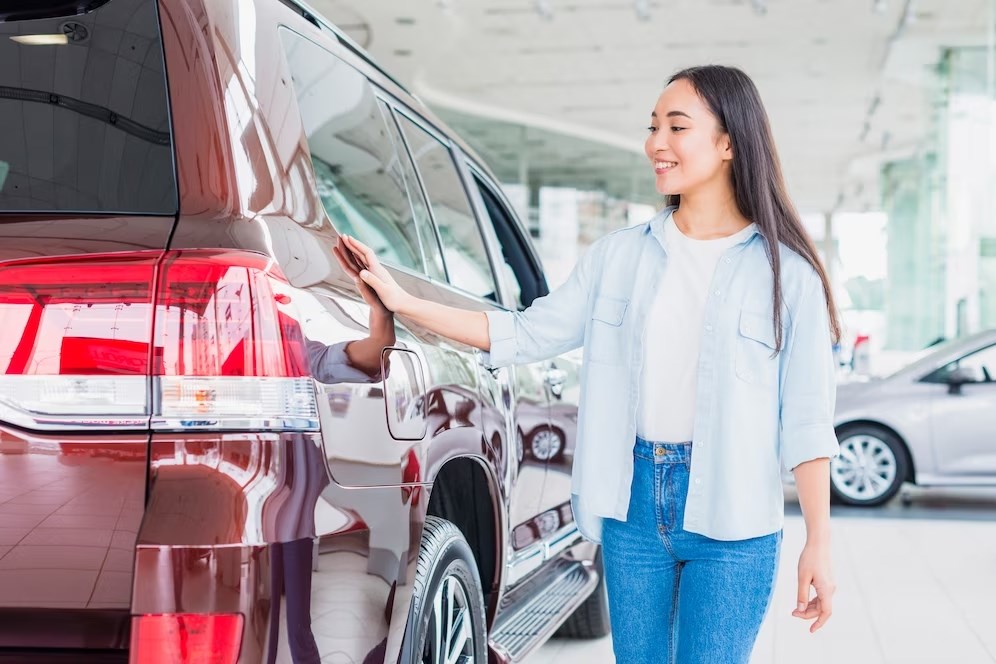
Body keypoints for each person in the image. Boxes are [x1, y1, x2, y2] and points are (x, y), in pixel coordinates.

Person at [336, 64, 840, 663]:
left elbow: (806, 424)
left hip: (736, 521)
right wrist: (402, 300)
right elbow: (524, 334)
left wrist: (819, 542)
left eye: (677, 127)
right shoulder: (618, 258)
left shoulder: (790, 277)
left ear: (729, 143)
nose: (656, 143)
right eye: (653, 127)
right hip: (632, 505)